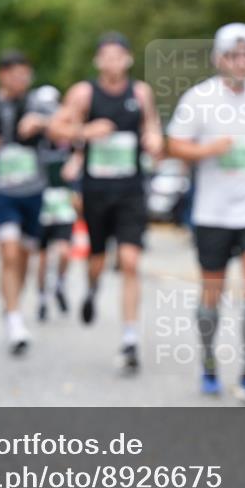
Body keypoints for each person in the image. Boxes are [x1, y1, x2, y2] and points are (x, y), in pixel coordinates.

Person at [167, 23, 245, 404]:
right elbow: (175, 145)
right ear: (219, 59)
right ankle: (208, 361)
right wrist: (207, 151)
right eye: (234, 55)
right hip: (213, 211)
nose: (242, 62)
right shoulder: (198, 99)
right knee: (212, 292)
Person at [50, 33, 163, 373]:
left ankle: (129, 339)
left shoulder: (140, 93)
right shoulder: (84, 93)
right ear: (98, 61)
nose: (113, 62)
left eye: (119, 56)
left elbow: (153, 127)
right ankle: (93, 287)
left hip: (130, 190)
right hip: (96, 190)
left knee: (130, 261)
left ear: (128, 59)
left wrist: (155, 139)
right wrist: (85, 132)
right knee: (97, 259)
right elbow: (56, 127)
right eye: (106, 56)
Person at [0, 51, 59, 354]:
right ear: (2, 75)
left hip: (33, 191)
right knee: (8, 252)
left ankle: (13, 304)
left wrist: (44, 123)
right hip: (1, 191)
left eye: (25, 74)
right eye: (15, 74)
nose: (21, 80)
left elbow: (65, 129)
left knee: (23, 255)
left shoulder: (39, 103)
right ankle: (13, 318)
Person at [36, 139, 80, 322]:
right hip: (42, 205)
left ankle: (60, 284)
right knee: (43, 257)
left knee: (64, 252)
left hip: (63, 206)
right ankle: (42, 298)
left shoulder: (74, 146)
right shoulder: (39, 144)